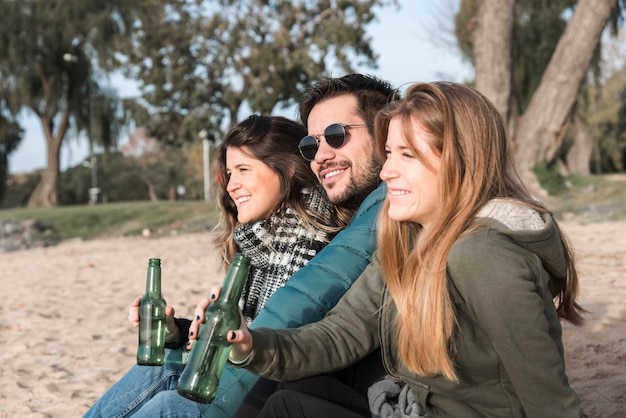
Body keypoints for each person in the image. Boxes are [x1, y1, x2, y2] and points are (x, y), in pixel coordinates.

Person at [226, 82, 585, 418]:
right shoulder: (407, 239)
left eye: (407, 156)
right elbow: (341, 333)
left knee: (288, 409)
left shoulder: (482, 255)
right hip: (417, 404)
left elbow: (547, 394)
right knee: (293, 389)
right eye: (388, 153)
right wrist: (249, 345)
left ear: (459, 161)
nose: (387, 172)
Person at [83, 74, 398, 417]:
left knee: (172, 403)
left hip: (288, 383)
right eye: (311, 146)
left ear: (288, 170)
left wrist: (226, 342)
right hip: (268, 372)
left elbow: (293, 326)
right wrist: (183, 332)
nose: (231, 186)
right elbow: (255, 329)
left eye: (337, 136)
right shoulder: (261, 246)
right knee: (158, 367)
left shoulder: (321, 238)